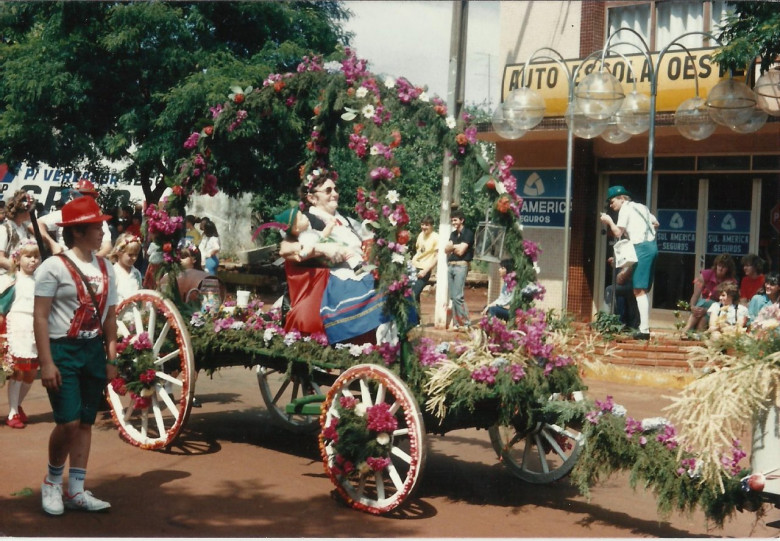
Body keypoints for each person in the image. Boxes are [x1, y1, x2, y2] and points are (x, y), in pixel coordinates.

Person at [34, 195, 118, 515]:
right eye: (97, 227)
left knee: (85, 421)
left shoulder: (106, 267)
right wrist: (46, 362)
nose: (102, 232)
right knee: (67, 423)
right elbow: (40, 316)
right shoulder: (53, 267)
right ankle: (52, 482)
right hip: (62, 351)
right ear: (79, 231)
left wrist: (110, 357)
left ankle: (76, 491)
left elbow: (109, 317)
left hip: (93, 351)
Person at [599, 185, 659, 340]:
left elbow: (618, 232)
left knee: (639, 290)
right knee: (641, 289)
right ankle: (643, 327)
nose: (612, 206)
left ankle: (644, 330)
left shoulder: (625, 209)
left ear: (622, 198)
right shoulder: (641, 207)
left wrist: (609, 221)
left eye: (612, 202)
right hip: (651, 246)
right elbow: (656, 223)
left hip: (641, 248)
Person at [1, 240, 41, 428]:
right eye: (28, 256)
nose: (33, 261)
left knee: (31, 372)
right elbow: (2, 309)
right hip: (18, 326)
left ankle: (17, 404)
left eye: (36, 257)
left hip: (35, 328)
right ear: (18, 259)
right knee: (18, 370)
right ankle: (12, 412)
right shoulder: (12, 281)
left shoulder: (41, 282)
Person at [37, 179, 112, 257]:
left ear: (93, 198)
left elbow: (107, 246)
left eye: (87, 195)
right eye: (78, 194)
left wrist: (91, 262)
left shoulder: (99, 219)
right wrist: (52, 244)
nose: (82, 198)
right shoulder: (63, 214)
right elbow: (35, 225)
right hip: (64, 260)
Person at [680, 253, 737, 335]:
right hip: (702, 306)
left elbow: (728, 303)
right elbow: (695, 295)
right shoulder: (705, 275)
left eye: (724, 267)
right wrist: (692, 307)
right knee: (702, 305)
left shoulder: (730, 282)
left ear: (728, 269)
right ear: (716, 265)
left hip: (718, 309)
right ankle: (689, 330)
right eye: (719, 265)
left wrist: (706, 310)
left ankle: (687, 330)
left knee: (705, 309)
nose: (721, 268)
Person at [444, 209, 474, 331]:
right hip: (451, 265)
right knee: (452, 296)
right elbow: (446, 249)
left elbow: (461, 251)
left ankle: (466, 322)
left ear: (462, 220)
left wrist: (453, 247)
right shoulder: (453, 234)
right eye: (452, 221)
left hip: (461, 266)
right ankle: (457, 323)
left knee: (458, 296)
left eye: (455, 220)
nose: (454, 223)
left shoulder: (468, 233)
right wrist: (455, 246)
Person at [0, 191, 36, 273]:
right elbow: (0, 259)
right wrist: (19, 269)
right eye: (30, 210)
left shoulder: (25, 228)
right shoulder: (4, 229)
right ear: (22, 211)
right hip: (5, 277)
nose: (31, 213)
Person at [604, 256, 640, 330]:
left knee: (610, 290)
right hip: (634, 284)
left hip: (634, 284)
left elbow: (621, 279)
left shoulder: (631, 256)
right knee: (626, 300)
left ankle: (610, 320)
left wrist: (619, 266)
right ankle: (630, 324)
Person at [410, 216, 439, 304]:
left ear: (431, 226)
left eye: (426, 225)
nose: (424, 227)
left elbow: (437, 256)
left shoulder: (436, 237)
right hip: (414, 267)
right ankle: (417, 317)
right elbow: (419, 251)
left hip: (424, 269)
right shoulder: (420, 235)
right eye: (422, 225)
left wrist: (426, 270)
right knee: (413, 294)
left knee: (414, 294)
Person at [109, 233, 143, 303]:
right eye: (130, 255)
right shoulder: (112, 272)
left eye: (136, 255)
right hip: (118, 311)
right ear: (119, 252)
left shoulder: (136, 273)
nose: (134, 258)